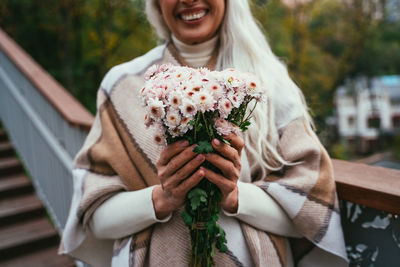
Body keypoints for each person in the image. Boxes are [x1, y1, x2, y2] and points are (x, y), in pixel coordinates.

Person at [59, 0, 349, 266]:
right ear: (158, 5)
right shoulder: (122, 86)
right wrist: (162, 199)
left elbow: (309, 213)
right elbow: (95, 217)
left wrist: (235, 197)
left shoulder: (268, 83)